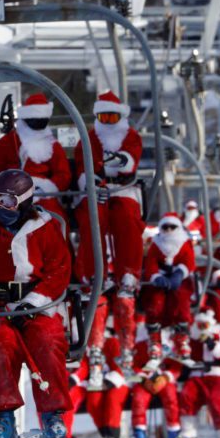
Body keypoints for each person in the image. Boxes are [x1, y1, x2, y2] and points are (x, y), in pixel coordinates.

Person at [0, 169, 73, 438]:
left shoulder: (45, 228)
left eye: (7, 201)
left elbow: (60, 270)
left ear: (25, 201)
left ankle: (53, 415)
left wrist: (35, 302)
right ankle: (4, 418)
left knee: (47, 340)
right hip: (0, 307)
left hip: (39, 306)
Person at [73, 90, 144, 381]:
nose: (107, 122)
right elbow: (82, 165)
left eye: (112, 117)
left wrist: (119, 165)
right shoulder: (89, 138)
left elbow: (130, 161)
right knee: (94, 218)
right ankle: (94, 274)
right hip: (96, 191)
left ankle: (127, 272)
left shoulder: (129, 136)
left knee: (127, 217)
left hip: (124, 190)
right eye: (103, 117)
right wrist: (90, 181)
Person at [0, 93, 72, 229]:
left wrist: (45, 188)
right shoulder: (8, 143)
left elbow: (63, 174)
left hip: (44, 196)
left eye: (41, 122)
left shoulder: (53, 145)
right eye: (34, 121)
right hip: (11, 194)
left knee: (54, 217)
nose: (38, 126)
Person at [178, 309, 220, 438]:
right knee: (187, 396)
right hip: (197, 375)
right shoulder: (192, 341)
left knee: (215, 400)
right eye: (199, 326)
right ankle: (188, 432)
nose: (201, 329)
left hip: (218, 374)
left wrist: (213, 345)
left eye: (204, 326)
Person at [141, 212, 196, 364]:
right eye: (166, 227)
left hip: (180, 280)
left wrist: (180, 273)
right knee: (154, 303)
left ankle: (181, 341)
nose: (169, 230)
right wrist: (156, 276)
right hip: (161, 278)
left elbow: (189, 261)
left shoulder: (184, 242)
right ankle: (155, 341)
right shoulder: (156, 243)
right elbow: (151, 262)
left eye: (173, 227)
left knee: (181, 302)